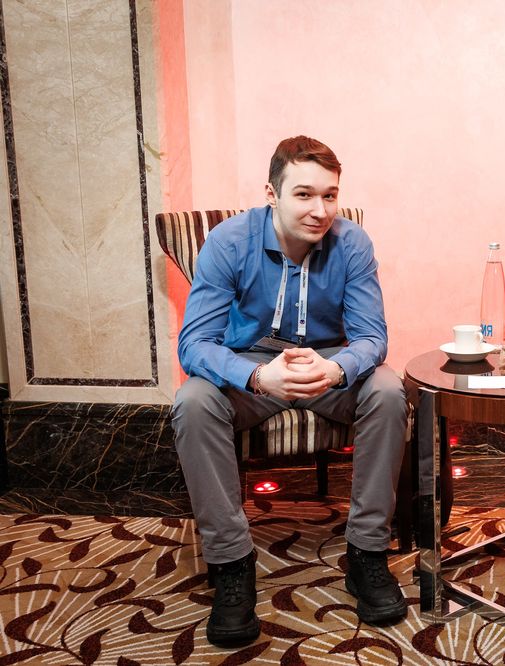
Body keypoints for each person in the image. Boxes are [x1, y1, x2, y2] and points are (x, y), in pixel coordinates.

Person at [171, 136, 409, 648]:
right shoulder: (228, 243)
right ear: (271, 194)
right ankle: (232, 563)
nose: (320, 210)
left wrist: (337, 368)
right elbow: (194, 343)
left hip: (326, 366)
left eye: (330, 195)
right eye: (304, 194)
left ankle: (367, 553)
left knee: (389, 391)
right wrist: (258, 376)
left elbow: (371, 337)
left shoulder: (352, 243)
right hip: (251, 369)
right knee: (192, 402)